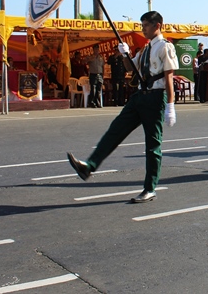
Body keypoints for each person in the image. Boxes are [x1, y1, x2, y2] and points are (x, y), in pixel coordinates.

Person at [67, 11, 178, 203]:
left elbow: (168, 76)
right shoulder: (144, 49)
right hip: (139, 97)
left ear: (157, 26)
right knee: (115, 130)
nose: (143, 29)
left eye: (145, 25)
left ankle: (150, 188)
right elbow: (129, 68)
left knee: (152, 146)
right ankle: (89, 166)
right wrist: (124, 53)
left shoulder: (164, 47)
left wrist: (170, 105)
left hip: (155, 98)